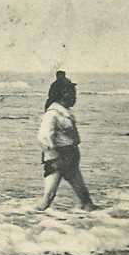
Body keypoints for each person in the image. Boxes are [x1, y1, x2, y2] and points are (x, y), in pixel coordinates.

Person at [36, 79, 97, 211]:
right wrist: (55, 155)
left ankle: (92, 219)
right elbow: (43, 136)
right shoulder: (53, 114)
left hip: (70, 157)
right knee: (48, 196)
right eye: (73, 93)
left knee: (84, 196)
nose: (75, 97)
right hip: (58, 159)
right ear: (64, 94)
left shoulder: (64, 112)